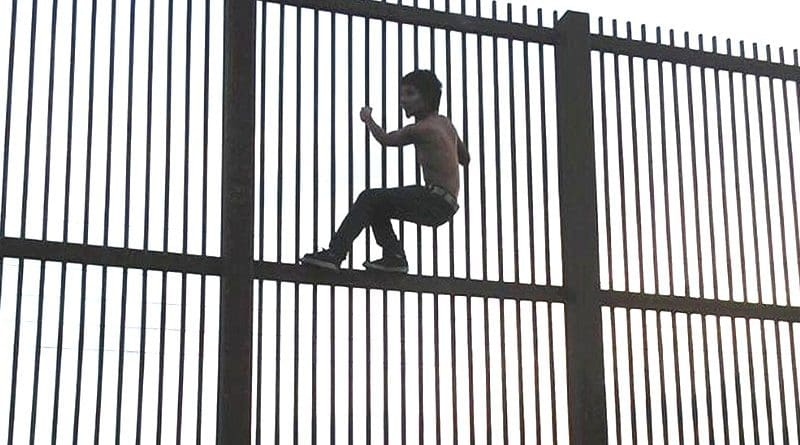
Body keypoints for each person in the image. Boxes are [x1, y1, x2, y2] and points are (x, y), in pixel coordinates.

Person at [301, 69, 470, 273]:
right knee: (376, 204)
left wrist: (368, 119)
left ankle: (335, 254)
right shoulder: (445, 123)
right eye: (402, 94)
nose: (402, 100)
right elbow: (465, 158)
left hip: (434, 199)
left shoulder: (420, 129)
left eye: (410, 94)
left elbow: (385, 139)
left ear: (427, 98)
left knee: (369, 198)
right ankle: (394, 257)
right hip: (445, 203)